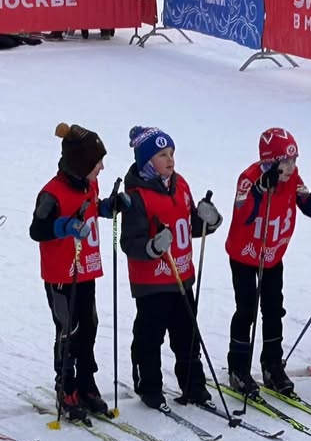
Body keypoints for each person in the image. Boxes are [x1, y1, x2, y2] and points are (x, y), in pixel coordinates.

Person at [29, 122, 129, 420]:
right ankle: (66, 386)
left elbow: (93, 208)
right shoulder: (52, 193)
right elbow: (37, 229)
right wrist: (64, 226)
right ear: (81, 163)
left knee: (90, 327)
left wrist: (112, 206)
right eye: (97, 162)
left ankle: (86, 383)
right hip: (61, 274)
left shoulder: (90, 185)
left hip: (86, 269)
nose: (102, 167)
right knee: (68, 330)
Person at [120, 126, 223, 409]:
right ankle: (150, 386)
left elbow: (189, 227)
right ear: (146, 161)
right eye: (162, 155)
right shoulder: (136, 196)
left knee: (187, 334)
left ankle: (194, 386)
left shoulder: (181, 185)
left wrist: (208, 221)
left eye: (172, 153)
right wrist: (152, 247)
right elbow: (130, 242)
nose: (170, 159)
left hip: (182, 277)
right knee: (150, 336)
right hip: (152, 281)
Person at [225, 128, 311, 397]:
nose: (291, 167)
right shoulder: (248, 179)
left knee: (273, 310)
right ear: (270, 161)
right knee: (246, 309)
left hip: (272, 255)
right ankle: (238, 367)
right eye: (286, 162)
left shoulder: (292, 178)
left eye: (294, 161)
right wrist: (261, 190)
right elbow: (243, 215)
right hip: (245, 254)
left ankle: (272, 364)